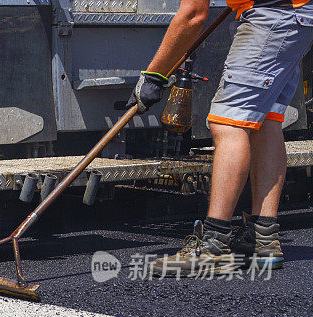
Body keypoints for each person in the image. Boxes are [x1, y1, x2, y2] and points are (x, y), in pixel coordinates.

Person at [128, 0, 313, 275]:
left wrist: (154, 75)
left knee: (228, 123)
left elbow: (192, 14)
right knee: (266, 119)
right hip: (295, 16)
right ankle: (263, 237)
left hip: (273, 18)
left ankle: (215, 243)